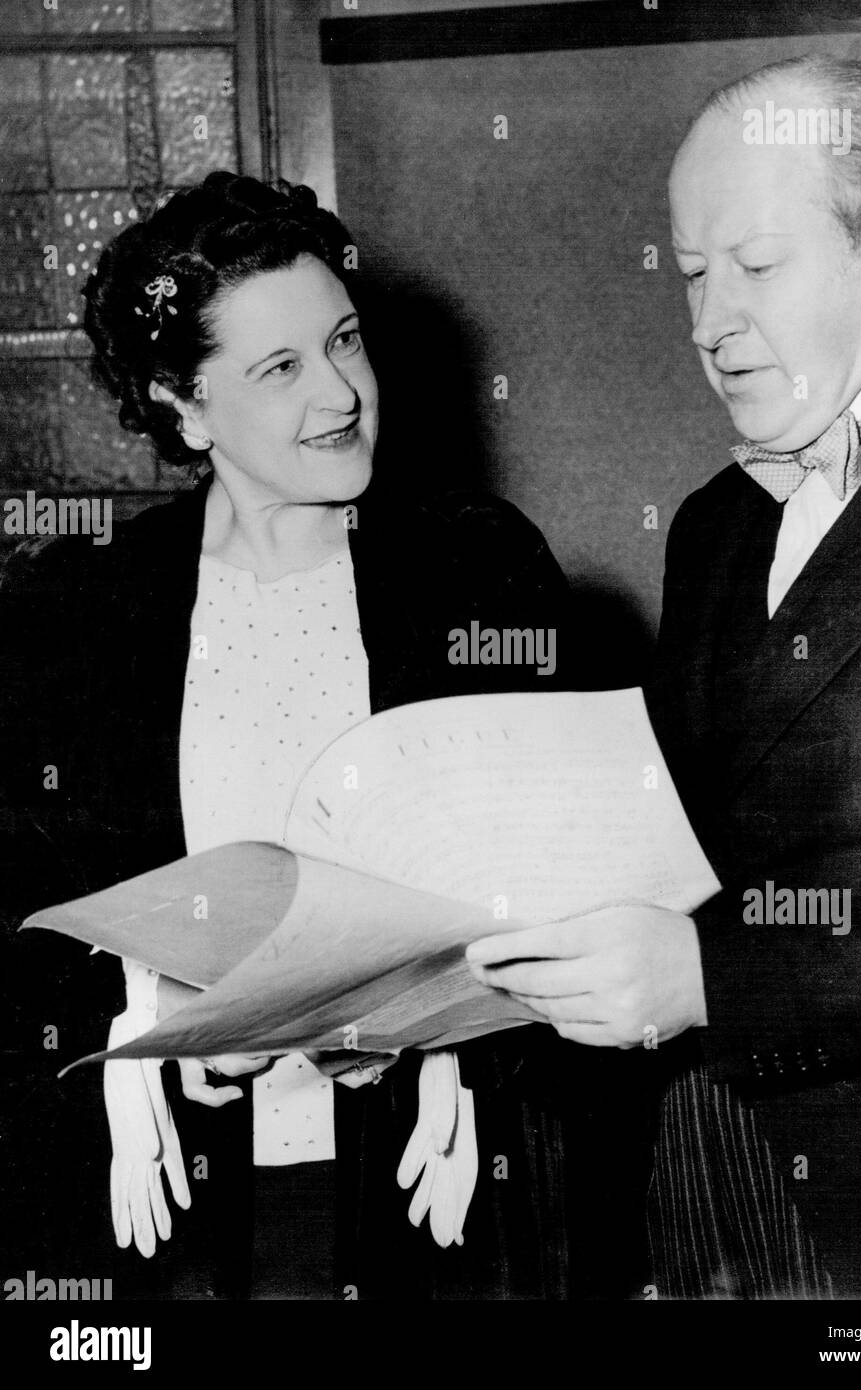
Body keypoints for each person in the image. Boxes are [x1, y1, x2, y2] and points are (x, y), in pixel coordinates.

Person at [0, 170, 615, 1302]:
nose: (339, 393)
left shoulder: (476, 568)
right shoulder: (78, 619)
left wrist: (469, 1033)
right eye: (279, 368)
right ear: (180, 405)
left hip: (433, 1189)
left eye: (344, 341)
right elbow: (24, 921)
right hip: (181, 1211)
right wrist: (136, 1024)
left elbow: (584, 877)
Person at [467, 55, 861, 1299]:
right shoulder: (716, 520)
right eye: (694, 276)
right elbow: (673, 840)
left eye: (756, 268)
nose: (708, 325)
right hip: (708, 1184)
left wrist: (715, 977)